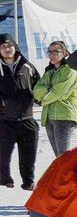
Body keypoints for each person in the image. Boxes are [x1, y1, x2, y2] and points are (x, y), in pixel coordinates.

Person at [0, 33, 40, 190]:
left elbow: (38, 84)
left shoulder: (26, 65)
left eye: (9, 45)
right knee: (3, 156)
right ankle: (4, 179)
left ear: (15, 47)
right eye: (3, 46)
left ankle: (28, 181)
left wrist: (39, 98)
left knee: (28, 156)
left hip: (27, 118)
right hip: (4, 120)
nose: (6, 49)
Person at [34, 41, 77, 157]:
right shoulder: (49, 72)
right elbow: (36, 91)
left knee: (64, 157)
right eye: (49, 51)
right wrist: (48, 92)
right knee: (58, 157)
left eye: (56, 51)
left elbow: (58, 93)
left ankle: (70, 176)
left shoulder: (71, 71)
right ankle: (61, 175)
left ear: (64, 53)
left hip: (64, 117)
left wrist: (44, 97)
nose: (52, 54)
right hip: (49, 117)